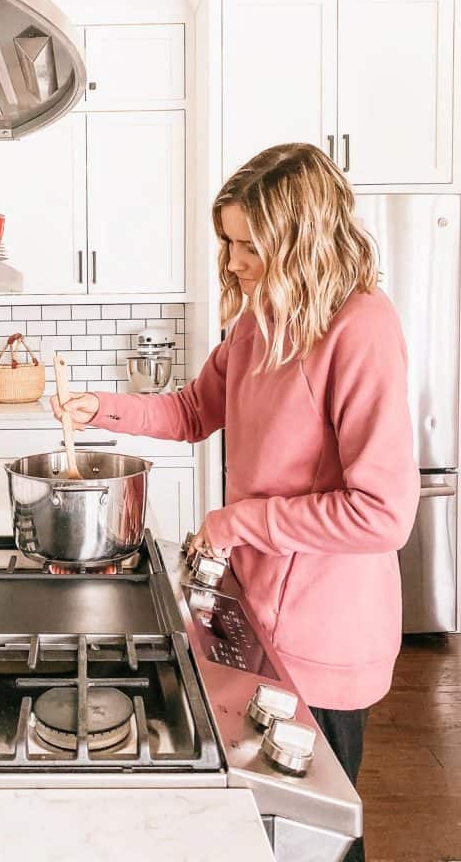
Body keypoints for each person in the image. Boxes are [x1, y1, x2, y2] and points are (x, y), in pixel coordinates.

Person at [51, 143, 420, 862]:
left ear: (303, 242)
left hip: (325, 637)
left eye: (250, 245)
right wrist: (102, 407)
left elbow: (382, 512)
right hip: (254, 615)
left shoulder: (361, 327)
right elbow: (194, 410)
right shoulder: (258, 324)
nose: (233, 261)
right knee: (260, 828)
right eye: (227, 241)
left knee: (317, 834)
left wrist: (236, 522)